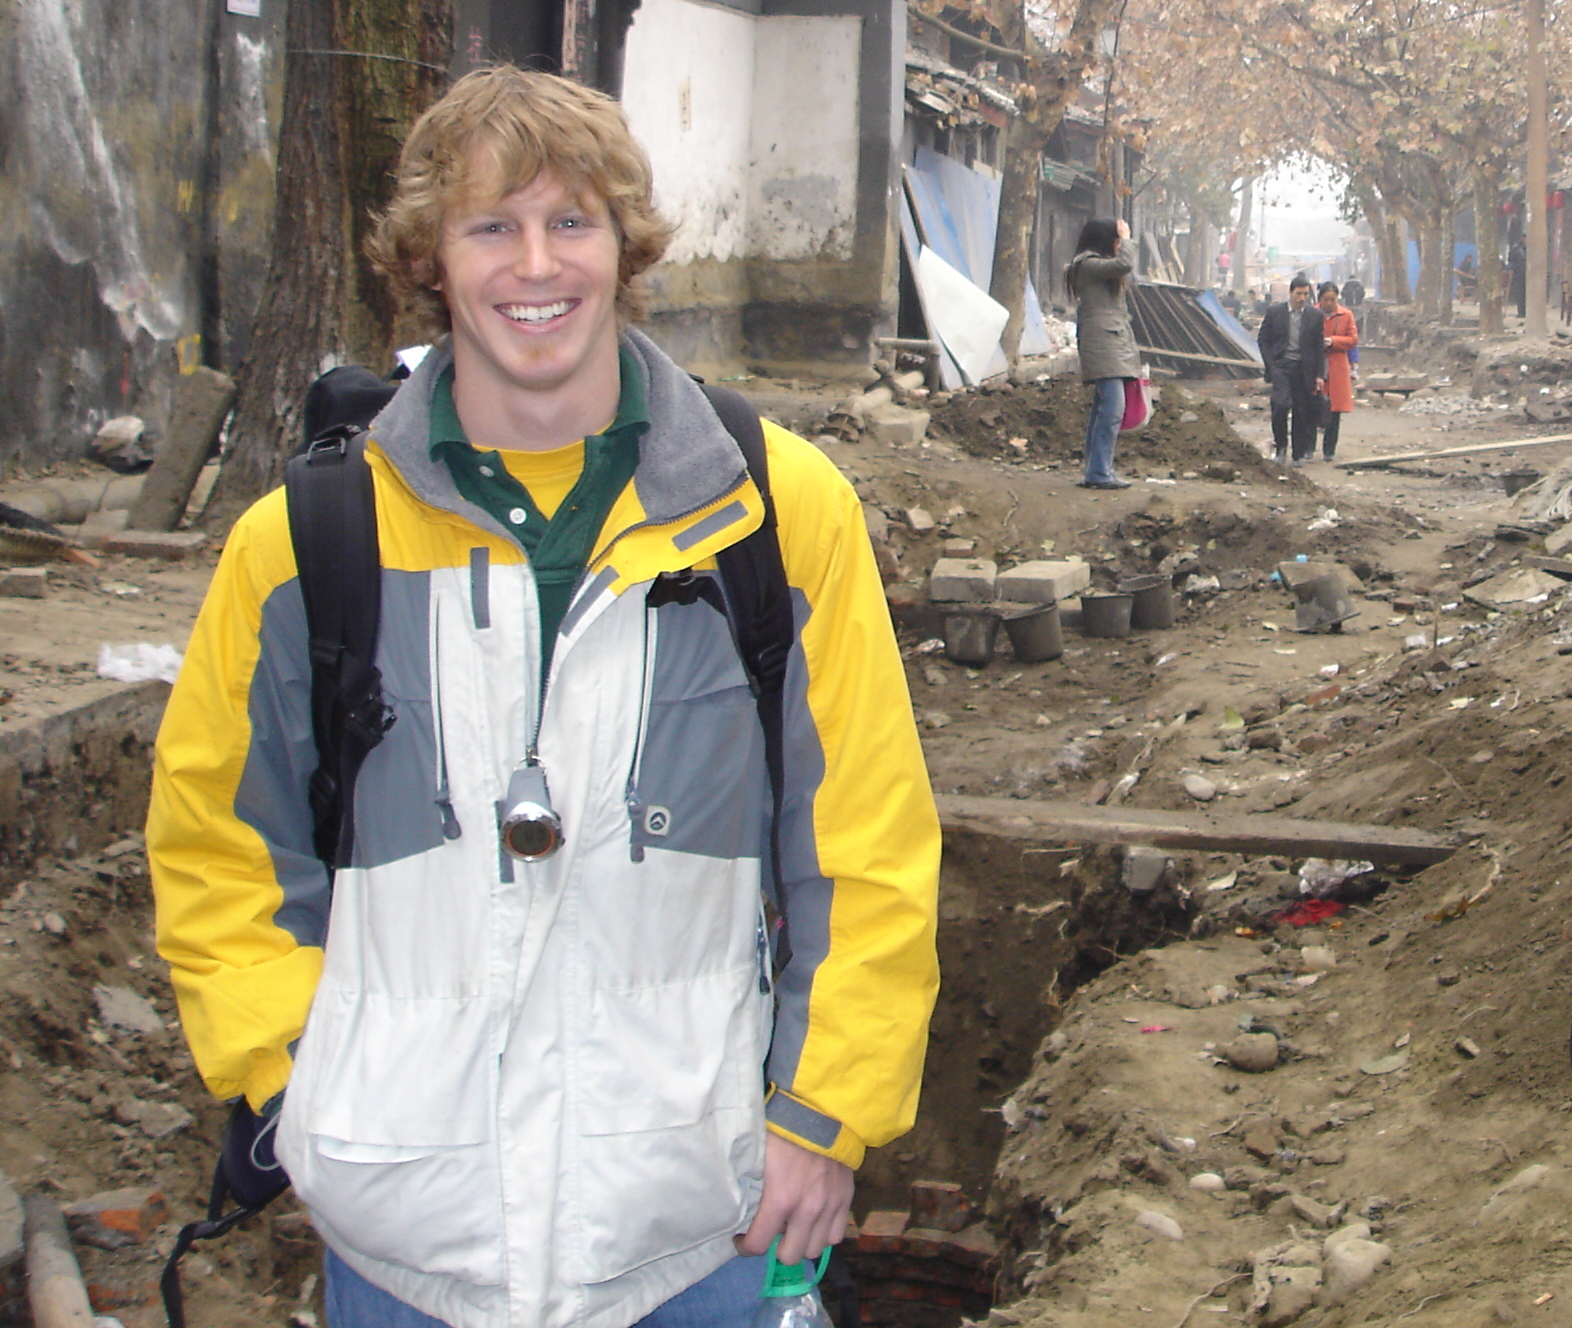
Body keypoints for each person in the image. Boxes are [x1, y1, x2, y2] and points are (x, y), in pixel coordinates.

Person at [147, 67, 942, 1328]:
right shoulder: (305, 542)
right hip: (403, 1245)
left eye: (572, 220)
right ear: (430, 260)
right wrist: (302, 1093)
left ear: (626, 247)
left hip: (700, 1231)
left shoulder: (775, 514)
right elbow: (218, 847)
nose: (536, 264)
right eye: (490, 225)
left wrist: (822, 1114)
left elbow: (867, 845)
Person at [1067, 217, 1140, 490]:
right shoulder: (1087, 265)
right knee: (1112, 408)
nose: (1120, 245)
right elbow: (1125, 264)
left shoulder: (1096, 267)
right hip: (1103, 342)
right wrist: (1128, 238)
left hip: (1112, 340)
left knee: (1105, 408)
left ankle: (1097, 470)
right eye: (1117, 240)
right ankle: (1099, 472)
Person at [1257, 273, 1326, 465]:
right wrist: (1271, 365)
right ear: (1291, 293)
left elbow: (1318, 347)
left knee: (1301, 411)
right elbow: (1263, 340)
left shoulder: (1315, 316)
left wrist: (1320, 375)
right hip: (1281, 366)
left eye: (1305, 294)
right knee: (1280, 405)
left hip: (1304, 368)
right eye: (1298, 294)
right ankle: (1280, 446)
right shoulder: (1275, 312)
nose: (1302, 298)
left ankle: (1298, 453)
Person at [1313, 280, 1357, 461]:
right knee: (1311, 406)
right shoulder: (1311, 314)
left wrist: (1333, 341)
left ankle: (1329, 450)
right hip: (1315, 364)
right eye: (1326, 299)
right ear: (1320, 299)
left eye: (1333, 299)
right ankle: (1308, 447)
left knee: (1334, 410)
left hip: (1337, 366)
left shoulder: (1346, 315)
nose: (1329, 303)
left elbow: (1353, 340)